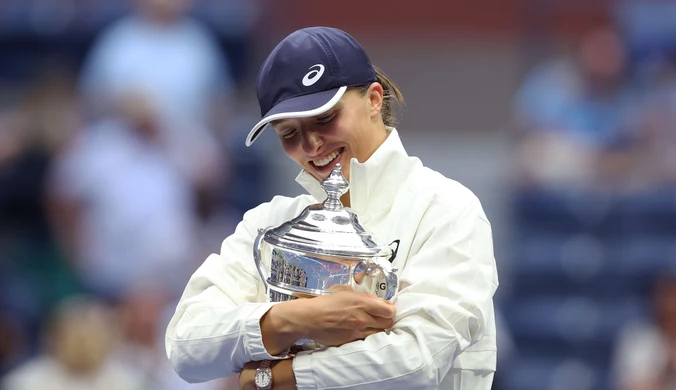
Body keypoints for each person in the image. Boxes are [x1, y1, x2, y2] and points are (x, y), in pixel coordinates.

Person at [165, 26, 499, 389]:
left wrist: (275, 378)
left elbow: (417, 362)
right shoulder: (268, 221)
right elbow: (185, 345)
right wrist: (293, 319)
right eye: (288, 134)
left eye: (324, 118)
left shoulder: (446, 209)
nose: (310, 145)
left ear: (374, 99)